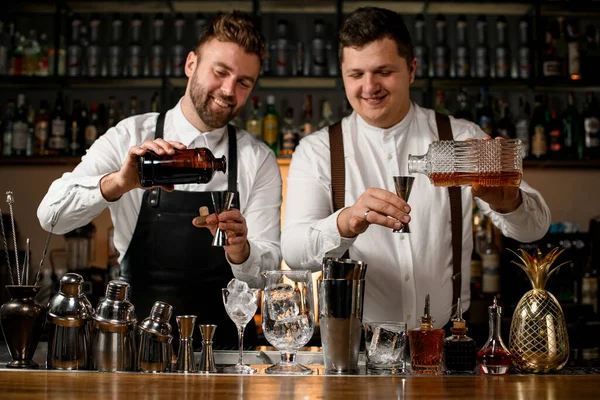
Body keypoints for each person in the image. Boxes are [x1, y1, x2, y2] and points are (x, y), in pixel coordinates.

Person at [281, 7, 551, 328]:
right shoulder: (318, 150)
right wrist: (347, 221)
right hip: (357, 352)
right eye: (356, 74)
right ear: (343, 74)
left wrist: (507, 202)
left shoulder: (461, 138)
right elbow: (295, 252)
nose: (369, 87)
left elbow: (536, 228)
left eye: (384, 72)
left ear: (411, 70)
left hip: (448, 345)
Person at [37, 11, 282, 347]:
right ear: (191, 64)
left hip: (224, 353)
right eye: (220, 72)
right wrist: (120, 182)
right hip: (136, 347)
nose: (228, 90)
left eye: (244, 82)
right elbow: (51, 217)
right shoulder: (129, 135)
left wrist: (241, 250)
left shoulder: (259, 159)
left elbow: (267, 272)